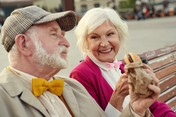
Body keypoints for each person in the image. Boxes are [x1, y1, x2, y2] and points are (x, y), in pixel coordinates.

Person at [0, 6, 157, 117]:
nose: (67, 43)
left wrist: (135, 109)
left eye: (63, 34)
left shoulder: (73, 87)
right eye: (54, 34)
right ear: (24, 44)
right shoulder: (3, 98)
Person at [69, 7, 176, 117]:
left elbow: (153, 106)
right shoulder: (80, 74)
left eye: (110, 34)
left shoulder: (122, 67)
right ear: (86, 42)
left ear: (119, 35)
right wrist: (117, 96)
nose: (104, 43)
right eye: (95, 37)